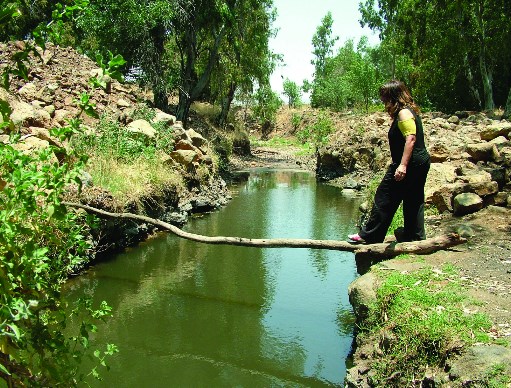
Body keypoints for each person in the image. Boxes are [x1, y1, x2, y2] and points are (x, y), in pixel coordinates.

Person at [348, 80, 430, 244]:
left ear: (394, 97)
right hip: (420, 161)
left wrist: (402, 165)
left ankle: (368, 236)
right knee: (413, 199)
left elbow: (411, 139)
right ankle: (415, 237)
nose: (384, 104)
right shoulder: (409, 111)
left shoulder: (404, 113)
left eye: (385, 100)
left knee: (384, 197)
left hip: (409, 163)